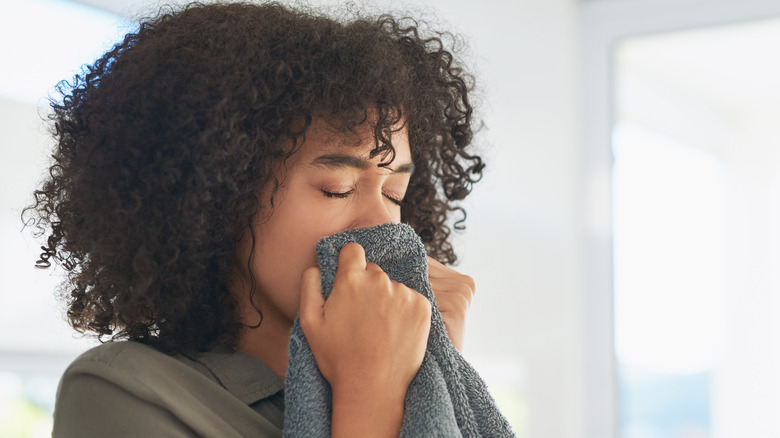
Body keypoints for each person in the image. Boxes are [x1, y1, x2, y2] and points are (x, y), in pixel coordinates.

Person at [26, 1, 484, 436]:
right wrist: (374, 384)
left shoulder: (423, 369)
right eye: (337, 188)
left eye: (394, 192)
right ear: (225, 196)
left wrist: (433, 374)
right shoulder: (125, 390)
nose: (385, 224)